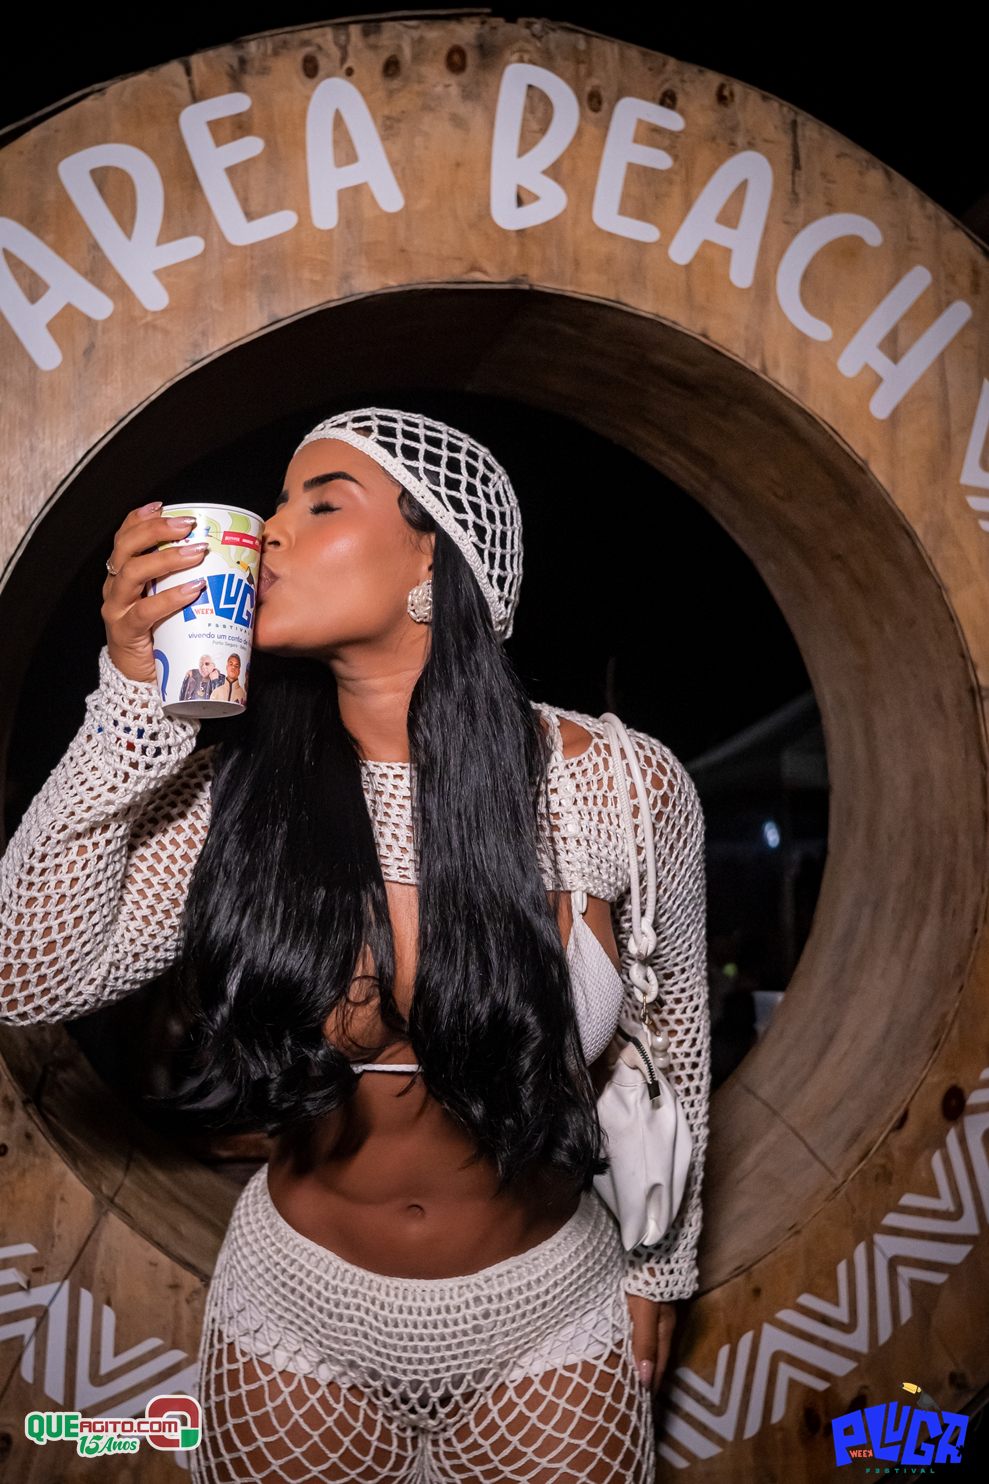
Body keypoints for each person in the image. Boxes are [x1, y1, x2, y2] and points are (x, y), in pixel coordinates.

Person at [0, 407, 711, 1483]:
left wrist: (660, 1265)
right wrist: (133, 702)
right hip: (297, 1320)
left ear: (433, 557)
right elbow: (25, 973)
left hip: (550, 1314)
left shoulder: (616, 784)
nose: (269, 530)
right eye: (274, 504)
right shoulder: (231, 785)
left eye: (320, 503)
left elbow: (674, 1043)